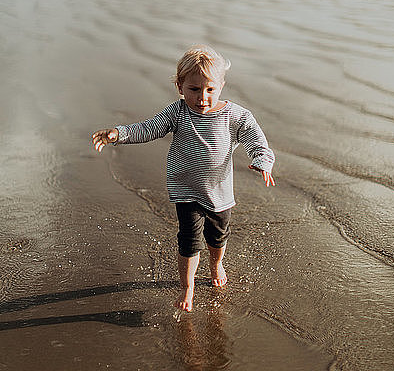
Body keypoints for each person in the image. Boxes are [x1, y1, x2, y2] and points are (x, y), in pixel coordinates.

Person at [92, 45, 275, 312]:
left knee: (217, 237)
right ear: (180, 86)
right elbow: (148, 128)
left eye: (210, 89)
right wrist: (118, 134)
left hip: (220, 192)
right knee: (189, 239)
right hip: (186, 190)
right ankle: (187, 287)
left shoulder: (234, 115)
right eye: (194, 89)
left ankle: (216, 264)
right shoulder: (178, 113)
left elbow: (254, 137)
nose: (203, 97)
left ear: (221, 85)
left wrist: (263, 160)